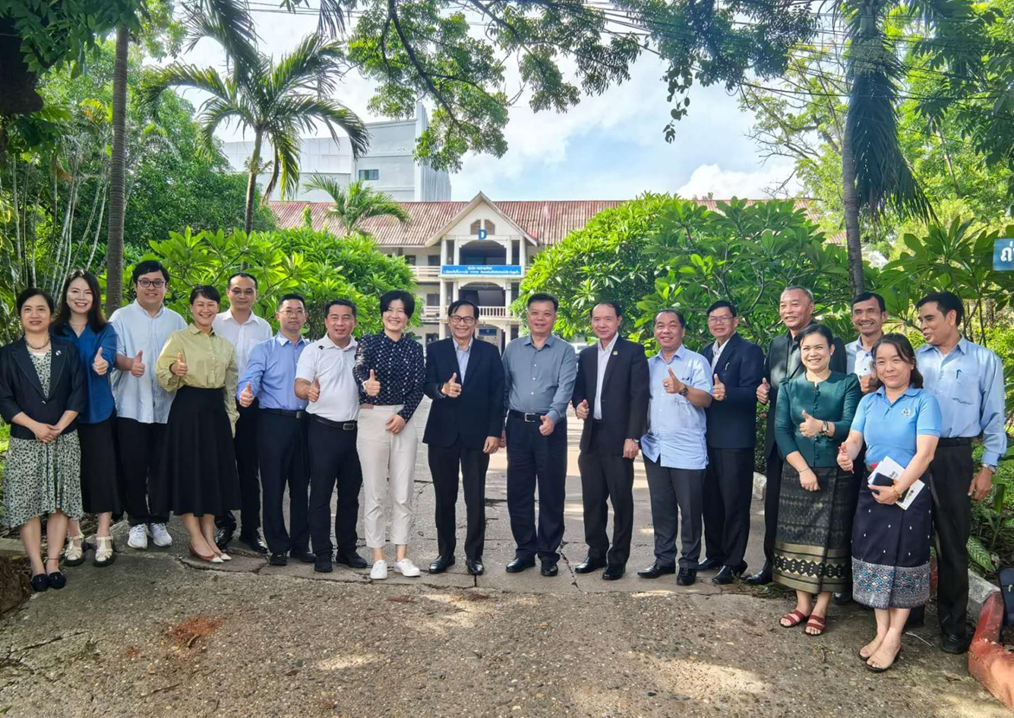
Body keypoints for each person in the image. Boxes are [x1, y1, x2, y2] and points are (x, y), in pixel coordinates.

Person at [839, 334, 940, 672]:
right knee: (874, 559)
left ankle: (895, 637)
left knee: (904, 561)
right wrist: (846, 454)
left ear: (910, 362)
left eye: (896, 360)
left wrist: (898, 488)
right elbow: (855, 440)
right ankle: (881, 632)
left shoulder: (925, 401)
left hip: (909, 491)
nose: (888, 368)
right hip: (872, 487)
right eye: (881, 361)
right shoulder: (869, 401)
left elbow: (925, 454)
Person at [914, 291, 1007, 654]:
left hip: (955, 457)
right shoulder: (916, 359)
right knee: (911, 534)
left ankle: (953, 628)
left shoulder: (984, 361)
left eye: (929, 318)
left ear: (951, 317)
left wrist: (987, 468)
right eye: (921, 320)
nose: (923, 326)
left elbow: (995, 418)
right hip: (914, 454)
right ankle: (909, 612)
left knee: (952, 542)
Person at [749, 286, 846, 586]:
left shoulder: (828, 343)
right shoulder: (777, 344)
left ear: (811, 307)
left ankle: (813, 577)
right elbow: (769, 383)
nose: (788, 311)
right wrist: (762, 390)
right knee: (775, 507)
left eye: (795, 304)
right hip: (779, 439)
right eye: (783, 305)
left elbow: (835, 391)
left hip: (814, 441)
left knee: (815, 511)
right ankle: (773, 566)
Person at [772, 324, 861, 635]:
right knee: (797, 538)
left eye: (819, 347)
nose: (812, 353)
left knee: (831, 539)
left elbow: (851, 424)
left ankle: (821, 607)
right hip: (797, 471)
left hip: (836, 472)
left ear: (831, 350)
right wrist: (803, 470)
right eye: (806, 348)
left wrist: (822, 426)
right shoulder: (788, 386)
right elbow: (782, 431)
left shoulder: (847, 383)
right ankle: (802, 604)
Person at [0, 288, 86, 592]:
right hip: (26, 439)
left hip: (64, 438)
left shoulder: (68, 349)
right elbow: (4, 398)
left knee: (60, 502)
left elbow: (78, 391)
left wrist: (60, 426)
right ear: (20, 315)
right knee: (30, 504)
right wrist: (35, 426)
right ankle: (37, 565)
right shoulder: (7, 354)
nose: (34, 315)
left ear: (51, 315)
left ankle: (53, 562)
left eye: (41, 309)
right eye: (28, 309)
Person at [155, 285, 240, 564]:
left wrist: (231, 419)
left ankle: (208, 536)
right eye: (200, 304)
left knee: (212, 474)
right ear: (191, 308)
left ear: (218, 308)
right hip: (188, 411)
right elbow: (162, 374)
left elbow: (230, 387)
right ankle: (194, 537)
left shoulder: (225, 345)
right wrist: (173, 369)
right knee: (189, 473)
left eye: (211, 304)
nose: (205, 309)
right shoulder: (178, 338)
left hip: (216, 414)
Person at [423, 299, 505, 577]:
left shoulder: (489, 352)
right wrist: (442, 389)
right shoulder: (436, 349)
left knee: (475, 497)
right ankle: (445, 554)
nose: (462, 323)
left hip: (477, 436)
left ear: (476, 323)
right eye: (457, 318)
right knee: (444, 497)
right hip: (441, 435)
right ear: (449, 321)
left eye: (468, 319)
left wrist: (494, 431)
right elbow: (426, 385)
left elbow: (498, 394)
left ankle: (474, 555)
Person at [109, 260, 186, 551]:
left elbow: (185, 355)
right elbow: (112, 354)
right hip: (131, 405)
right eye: (145, 282)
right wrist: (129, 364)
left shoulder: (176, 321)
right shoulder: (121, 317)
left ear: (166, 287)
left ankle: (159, 520)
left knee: (162, 467)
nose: (151, 287)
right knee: (134, 466)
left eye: (157, 282)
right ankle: (137, 521)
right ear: (135, 285)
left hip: (167, 407)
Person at [571, 301, 648, 580]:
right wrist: (578, 405)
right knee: (592, 500)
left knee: (621, 500)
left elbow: (639, 397)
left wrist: (633, 436)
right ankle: (595, 552)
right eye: (596, 319)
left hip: (620, 438)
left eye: (608, 319)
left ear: (619, 321)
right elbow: (579, 390)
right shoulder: (587, 355)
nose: (601, 324)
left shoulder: (633, 351)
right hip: (592, 437)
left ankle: (618, 558)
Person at [502, 293, 578, 577]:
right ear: (527, 316)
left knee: (551, 492)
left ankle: (548, 554)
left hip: (550, 428)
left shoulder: (565, 351)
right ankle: (524, 551)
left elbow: (566, 387)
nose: (540, 318)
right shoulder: (512, 349)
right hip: (518, 426)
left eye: (547, 313)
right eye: (535, 313)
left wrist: (554, 416)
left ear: (554, 317)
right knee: (518, 492)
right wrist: (499, 425)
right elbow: (504, 387)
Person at [353, 290, 426, 580]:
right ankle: (378, 557)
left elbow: (419, 385)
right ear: (383, 312)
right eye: (390, 309)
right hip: (373, 418)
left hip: (403, 420)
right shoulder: (368, 342)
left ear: (407, 317)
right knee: (374, 492)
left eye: (401, 311)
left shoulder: (414, 348)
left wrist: (404, 416)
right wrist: (365, 384)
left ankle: (401, 556)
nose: (395, 315)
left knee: (403, 491)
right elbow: (359, 367)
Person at [638, 309, 713, 586]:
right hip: (655, 448)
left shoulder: (696, 362)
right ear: (654, 331)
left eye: (672, 325)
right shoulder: (648, 365)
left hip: (687, 449)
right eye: (660, 325)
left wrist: (683, 388)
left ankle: (689, 563)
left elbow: (706, 399)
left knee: (690, 512)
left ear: (682, 330)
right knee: (662, 509)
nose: (665, 330)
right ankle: (664, 559)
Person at [238, 294, 312, 567]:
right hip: (273, 423)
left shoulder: (313, 349)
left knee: (302, 487)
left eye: (299, 311)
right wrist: (245, 393)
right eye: (288, 310)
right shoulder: (264, 349)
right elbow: (251, 378)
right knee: (272, 486)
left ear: (305, 317)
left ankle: (301, 545)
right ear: (278, 316)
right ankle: (278, 546)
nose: (293, 315)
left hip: (306, 424)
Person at [53, 270, 120, 567]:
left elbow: (109, 357)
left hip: (98, 411)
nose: (81, 297)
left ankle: (104, 533)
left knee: (102, 472)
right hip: (63, 415)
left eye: (87, 292)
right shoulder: (54, 330)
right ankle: (75, 535)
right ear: (66, 294)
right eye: (75, 291)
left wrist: (103, 364)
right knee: (69, 475)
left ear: (95, 297)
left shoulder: (105, 330)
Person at [295, 299, 366, 574]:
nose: (340, 323)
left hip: (356, 433)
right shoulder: (314, 350)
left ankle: (347, 550)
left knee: (350, 496)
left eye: (346, 317)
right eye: (334, 317)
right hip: (322, 431)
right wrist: (308, 392)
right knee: (320, 495)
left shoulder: (363, 350)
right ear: (326, 321)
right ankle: (322, 552)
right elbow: (300, 384)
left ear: (354, 321)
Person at [699, 300, 764, 584]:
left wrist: (728, 393)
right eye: (713, 318)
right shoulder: (705, 351)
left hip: (735, 440)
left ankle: (734, 561)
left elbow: (754, 393)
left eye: (723, 318)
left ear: (735, 321)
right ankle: (715, 554)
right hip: (707, 439)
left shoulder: (749, 350)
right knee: (711, 502)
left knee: (734, 504)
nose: (718, 323)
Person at [213, 272, 273, 554]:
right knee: (219, 465)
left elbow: (268, 366)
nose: (242, 296)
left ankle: (251, 528)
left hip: (250, 406)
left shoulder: (264, 328)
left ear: (256, 295)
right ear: (228, 292)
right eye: (237, 290)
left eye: (248, 291)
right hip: (218, 403)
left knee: (249, 468)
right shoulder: (215, 323)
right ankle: (224, 523)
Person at [836, 291, 889, 604]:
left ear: (883, 316)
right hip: (848, 440)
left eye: (871, 311)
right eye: (858, 312)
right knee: (847, 511)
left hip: (885, 442)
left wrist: (878, 384)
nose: (864, 317)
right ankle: (846, 582)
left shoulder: (895, 350)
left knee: (881, 515)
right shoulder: (843, 352)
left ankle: (879, 589)